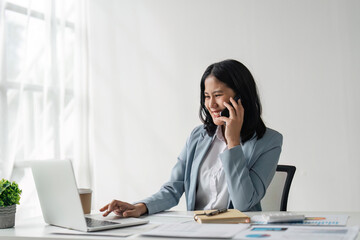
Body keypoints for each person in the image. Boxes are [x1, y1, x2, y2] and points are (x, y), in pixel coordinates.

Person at [100, 59, 283, 218]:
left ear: (241, 97)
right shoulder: (198, 137)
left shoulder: (269, 141)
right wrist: (141, 207)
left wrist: (233, 143)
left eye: (218, 95)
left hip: (238, 231)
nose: (211, 104)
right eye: (206, 96)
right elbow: (173, 189)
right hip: (196, 230)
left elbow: (244, 204)